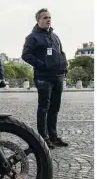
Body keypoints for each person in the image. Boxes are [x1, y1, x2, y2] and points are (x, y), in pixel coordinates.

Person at [22, 8, 68, 148]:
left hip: (58, 76)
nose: (48, 19)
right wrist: (42, 65)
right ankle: (43, 138)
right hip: (43, 77)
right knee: (44, 108)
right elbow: (26, 55)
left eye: (49, 17)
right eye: (45, 17)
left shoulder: (55, 36)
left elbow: (61, 52)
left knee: (54, 108)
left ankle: (53, 136)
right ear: (38, 20)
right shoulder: (32, 37)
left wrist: (65, 67)